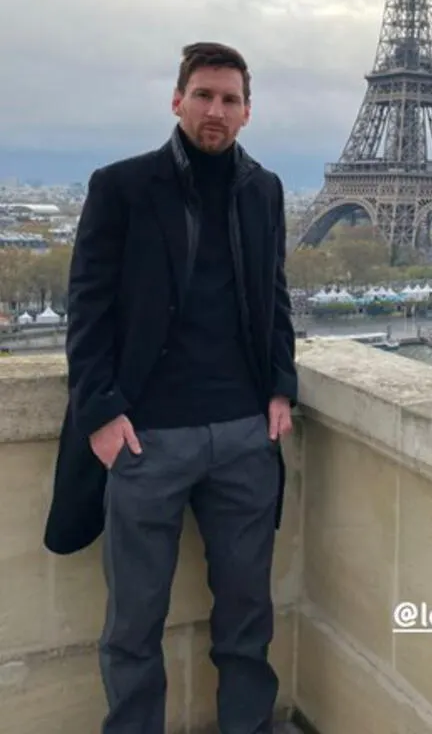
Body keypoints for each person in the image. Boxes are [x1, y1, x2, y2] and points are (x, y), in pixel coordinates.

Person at [44, 41, 297, 734]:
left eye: (230, 99)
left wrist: (281, 388)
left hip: (246, 436)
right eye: (204, 95)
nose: (216, 110)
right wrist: (100, 414)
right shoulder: (121, 185)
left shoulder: (265, 189)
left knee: (249, 613)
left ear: (248, 112)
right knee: (134, 621)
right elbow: (87, 307)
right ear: (177, 99)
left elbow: (273, 298)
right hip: (145, 438)